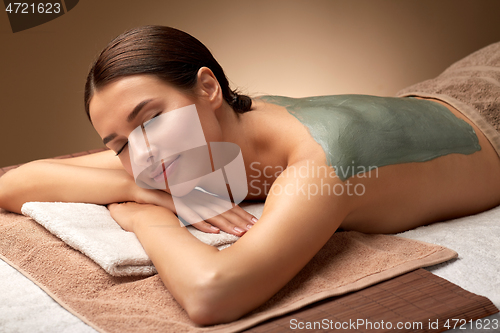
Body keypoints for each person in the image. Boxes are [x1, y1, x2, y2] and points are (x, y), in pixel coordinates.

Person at [1, 25, 500, 325]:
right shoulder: (208, 139)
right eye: (120, 145)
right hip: (429, 94)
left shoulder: (323, 162)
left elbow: (213, 293)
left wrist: (143, 219)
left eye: (150, 119)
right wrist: (152, 193)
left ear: (207, 87)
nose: (145, 155)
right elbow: (14, 184)